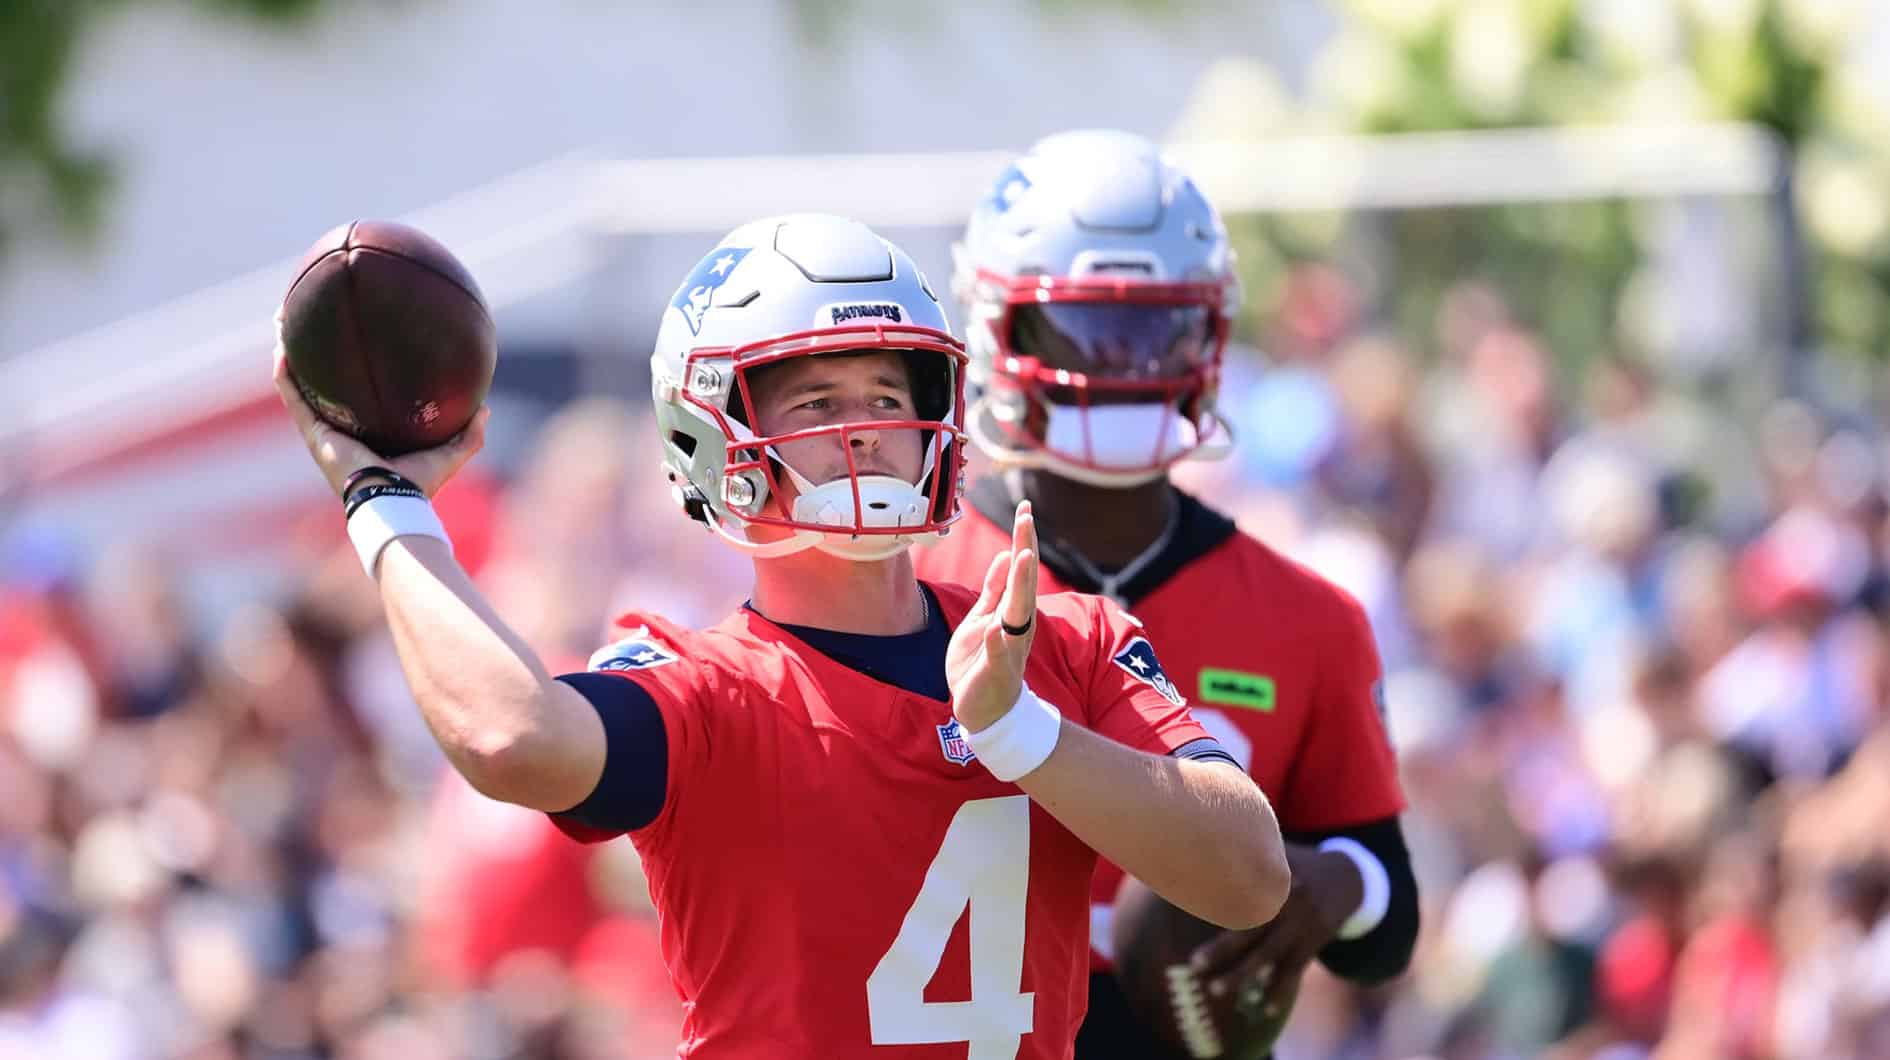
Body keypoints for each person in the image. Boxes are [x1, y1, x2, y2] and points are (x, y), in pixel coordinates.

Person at [273, 212, 1289, 1059]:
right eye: (815, 398)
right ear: (709, 437)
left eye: (888, 394)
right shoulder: (706, 687)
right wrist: (386, 504)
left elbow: (1250, 876)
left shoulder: (1057, 644)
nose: (863, 428)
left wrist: (1021, 731)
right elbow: (511, 737)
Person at [911, 132, 1420, 1056]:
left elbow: (1387, 924)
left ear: (1212, 334)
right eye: (1082, 332)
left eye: (1156, 331)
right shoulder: (907, 578)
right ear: (996, 330)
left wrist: (1324, 884)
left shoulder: (1310, 617)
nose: (1121, 368)